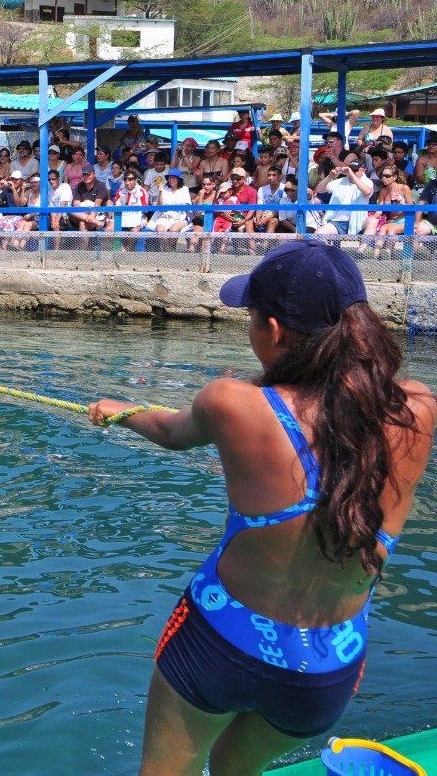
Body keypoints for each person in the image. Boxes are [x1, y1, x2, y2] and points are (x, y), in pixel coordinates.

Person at [89, 240, 434, 775]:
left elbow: (172, 432)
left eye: (251, 317)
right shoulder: (418, 408)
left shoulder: (232, 402)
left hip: (221, 641)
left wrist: (119, 411)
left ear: (273, 330)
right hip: (327, 665)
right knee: (236, 769)